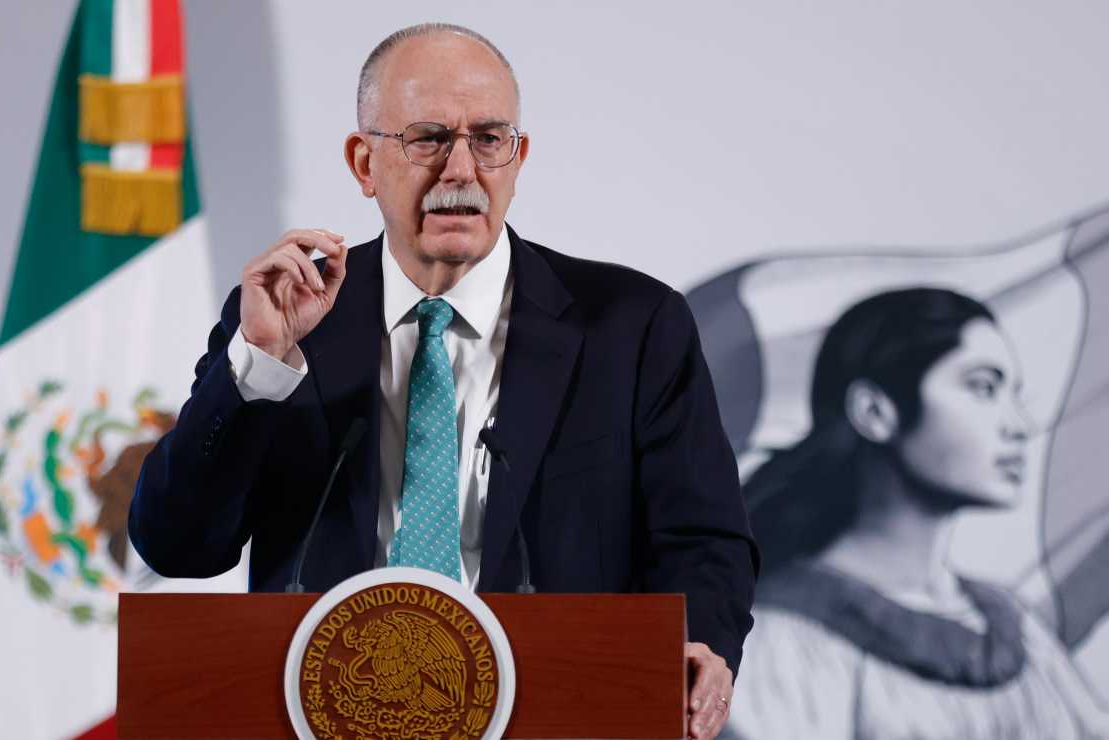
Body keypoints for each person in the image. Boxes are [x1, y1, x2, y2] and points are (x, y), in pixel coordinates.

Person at [128, 23, 758, 738]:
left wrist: (704, 639)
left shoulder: (631, 324)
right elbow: (177, 544)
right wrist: (258, 364)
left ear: (517, 160)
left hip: (556, 713)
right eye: (427, 138)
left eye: (489, 139)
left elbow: (706, 538)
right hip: (326, 712)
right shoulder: (290, 318)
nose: (460, 169)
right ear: (364, 163)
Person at [723, 287, 1109, 739]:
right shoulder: (775, 638)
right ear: (875, 411)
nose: (1019, 425)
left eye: (1013, 394)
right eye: (983, 388)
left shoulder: (1016, 629)